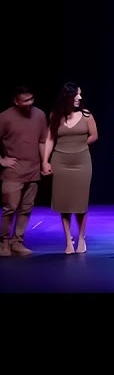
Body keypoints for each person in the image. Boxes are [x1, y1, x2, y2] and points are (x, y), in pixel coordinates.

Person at [42, 83, 98, 254]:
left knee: (80, 203)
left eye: (80, 95)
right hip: (61, 162)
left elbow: (94, 135)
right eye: (76, 95)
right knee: (64, 203)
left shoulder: (87, 115)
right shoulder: (55, 116)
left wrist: (80, 145)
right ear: (67, 97)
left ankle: (81, 238)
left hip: (82, 162)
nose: (79, 98)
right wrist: (45, 161)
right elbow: (50, 139)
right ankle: (68, 240)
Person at [0, 86, 48, 257]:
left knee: (26, 208)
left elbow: (43, 141)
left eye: (31, 99)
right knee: (10, 208)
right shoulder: (5, 117)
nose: (29, 103)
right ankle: (4, 242)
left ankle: (17, 241)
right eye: (25, 100)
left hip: (33, 169)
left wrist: (44, 162)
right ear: (16, 101)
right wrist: (2, 160)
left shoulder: (40, 115)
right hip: (13, 171)